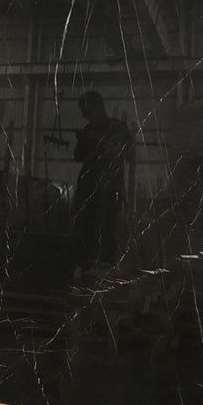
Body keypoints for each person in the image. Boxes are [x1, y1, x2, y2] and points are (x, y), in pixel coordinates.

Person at [72, 91, 132, 270]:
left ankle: (107, 271)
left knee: (108, 229)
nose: (88, 116)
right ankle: (85, 268)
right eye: (85, 113)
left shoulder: (119, 127)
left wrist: (103, 145)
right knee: (84, 228)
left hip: (110, 187)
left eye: (90, 112)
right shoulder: (88, 130)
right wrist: (86, 142)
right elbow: (78, 156)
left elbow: (127, 153)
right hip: (88, 187)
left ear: (100, 108)